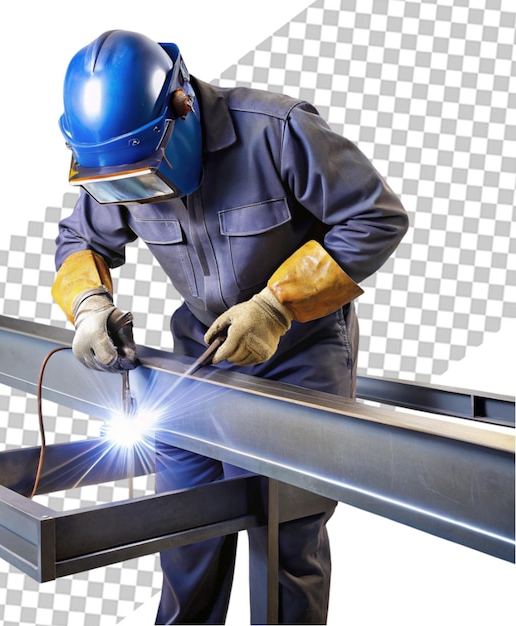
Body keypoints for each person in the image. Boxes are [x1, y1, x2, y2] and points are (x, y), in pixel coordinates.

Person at [51, 30, 408, 624]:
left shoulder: (278, 131)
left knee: (284, 539)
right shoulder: (118, 155)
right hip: (200, 356)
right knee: (185, 530)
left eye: (145, 173)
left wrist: (277, 305)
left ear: (181, 108)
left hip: (301, 357)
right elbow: (81, 238)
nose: (142, 191)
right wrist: (89, 304)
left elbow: (375, 217)